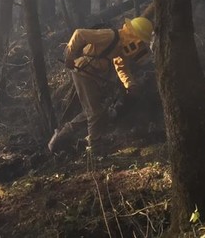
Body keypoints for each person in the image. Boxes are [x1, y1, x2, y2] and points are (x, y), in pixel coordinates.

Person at [47, 16, 153, 155]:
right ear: (135, 36)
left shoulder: (122, 48)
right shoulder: (110, 36)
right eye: (141, 43)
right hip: (82, 73)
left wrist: (130, 85)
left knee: (95, 112)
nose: (140, 47)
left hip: (94, 77)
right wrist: (69, 56)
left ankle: (60, 138)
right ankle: (96, 148)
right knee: (94, 112)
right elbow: (80, 34)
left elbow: (122, 68)